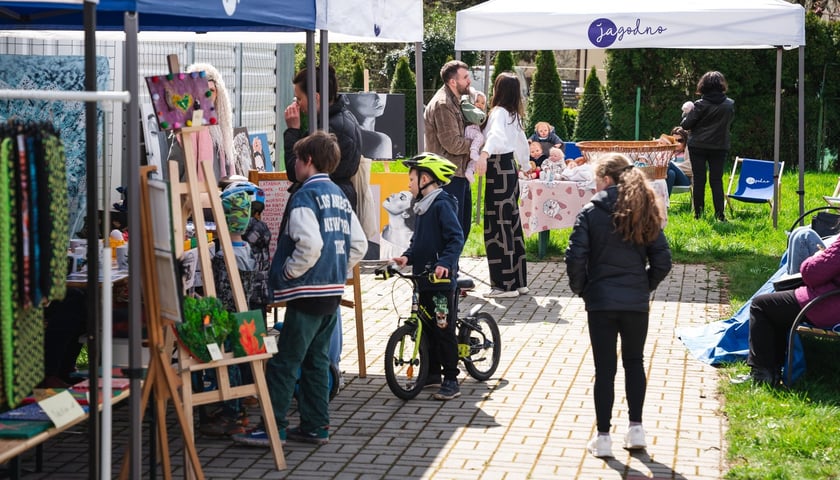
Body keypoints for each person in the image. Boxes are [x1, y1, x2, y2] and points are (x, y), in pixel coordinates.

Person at [245, 131, 366, 447]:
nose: (293, 165)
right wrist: (336, 269)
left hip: (306, 293)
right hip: (331, 293)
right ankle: (315, 426)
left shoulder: (303, 196)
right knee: (317, 361)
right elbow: (359, 244)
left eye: (296, 159)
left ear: (308, 161)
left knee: (285, 362)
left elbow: (309, 245)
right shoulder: (339, 194)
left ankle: (272, 427)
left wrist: (288, 271)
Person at [564, 153, 672, 458]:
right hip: (635, 302)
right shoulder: (644, 209)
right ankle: (636, 429)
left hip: (600, 301)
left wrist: (583, 290)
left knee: (605, 369)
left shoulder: (590, 211)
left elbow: (575, 258)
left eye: (597, 179)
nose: (595, 185)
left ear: (607, 179)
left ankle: (603, 437)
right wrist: (644, 286)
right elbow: (663, 260)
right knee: (634, 362)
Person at [390, 153, 464, 400]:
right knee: (427, 327)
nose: (408, 184)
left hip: (441, 281)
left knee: (443, 328)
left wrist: (445, 263)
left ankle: (451, 379)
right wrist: (406, 257)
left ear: (425, 179)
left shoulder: (441, 204)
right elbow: (418, 243)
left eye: (411, 179)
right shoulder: (422, 207)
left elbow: (456, 238)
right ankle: (431, 374)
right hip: (423, 279)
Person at [733, 235, 840, 386]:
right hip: (831, 300)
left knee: (761, 305)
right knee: (779, 306)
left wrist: (816, 257)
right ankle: (774, 369)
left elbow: (811, 273)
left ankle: (762, 374)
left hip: (829, 305)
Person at [476, 72, 530, 298]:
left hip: (497, 169)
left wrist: (484, 153)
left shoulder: (498, 113)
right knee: (512, 223)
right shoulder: (513, 115)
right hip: (510, 169)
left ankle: (503, 285)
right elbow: (522, 143)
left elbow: (496, 136)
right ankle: (519, 282)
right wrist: (526, 165)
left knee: (497, 226)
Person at [283, 65, 363, 212]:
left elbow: (295, 171)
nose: (297, 104)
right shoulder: (345, 117)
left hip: (324, 204)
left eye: (299, 98)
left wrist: (292, 130)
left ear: (316, 98)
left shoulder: (327, 129)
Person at [424, 60, 484, 238]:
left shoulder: (456, 100)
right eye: (465, 78)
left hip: (458, 173)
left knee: (461, 229)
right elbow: (452, 143)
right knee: (452, 232)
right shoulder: (443, 104)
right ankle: (445, 266)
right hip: (447, 176)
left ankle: (451, 265)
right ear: (453, 82)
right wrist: (477, 145)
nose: (469, 81)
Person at [680, 71, 735, 221]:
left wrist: (687, 114)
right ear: (721, 85)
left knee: (699, 180)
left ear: (703, 86)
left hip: (698, 146)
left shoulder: (700, 105)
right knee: (716, 180)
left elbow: (686, 125)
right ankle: (720, 215)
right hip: (719, 146)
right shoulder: (729, 104)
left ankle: (698, 214)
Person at [167, 63, 234, 182]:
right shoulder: (186, 128)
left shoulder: (221, 128)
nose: (208, 95)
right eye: (203, 91)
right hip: (190, 194)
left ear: (218, 94)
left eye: (212, 91)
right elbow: (175, 169)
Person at [346, 92, 393, 160]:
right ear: (345, 98)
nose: (378, 98)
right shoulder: (379, 141)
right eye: (366, 93)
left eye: (381, 90)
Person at [460, 88, 487, 184]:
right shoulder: (472, 111)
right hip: (469, 130)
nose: (480, 104)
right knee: (480, 137)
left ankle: (469, 171)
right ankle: (473, 151)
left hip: (474, 133)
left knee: (478, 156)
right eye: (477, 101)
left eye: (483, 103)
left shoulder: (482, 114)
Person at [662, 126, 692, 196]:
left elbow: (690, 167)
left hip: (684, 180)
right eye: (674, 141)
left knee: (668, 164)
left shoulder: (688, 150)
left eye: (680, 140)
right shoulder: (668, 151)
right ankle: (665, 205)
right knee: (671, 173)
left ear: (685, 141)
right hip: (670, 178)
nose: (677, 143)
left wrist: (673, 166)